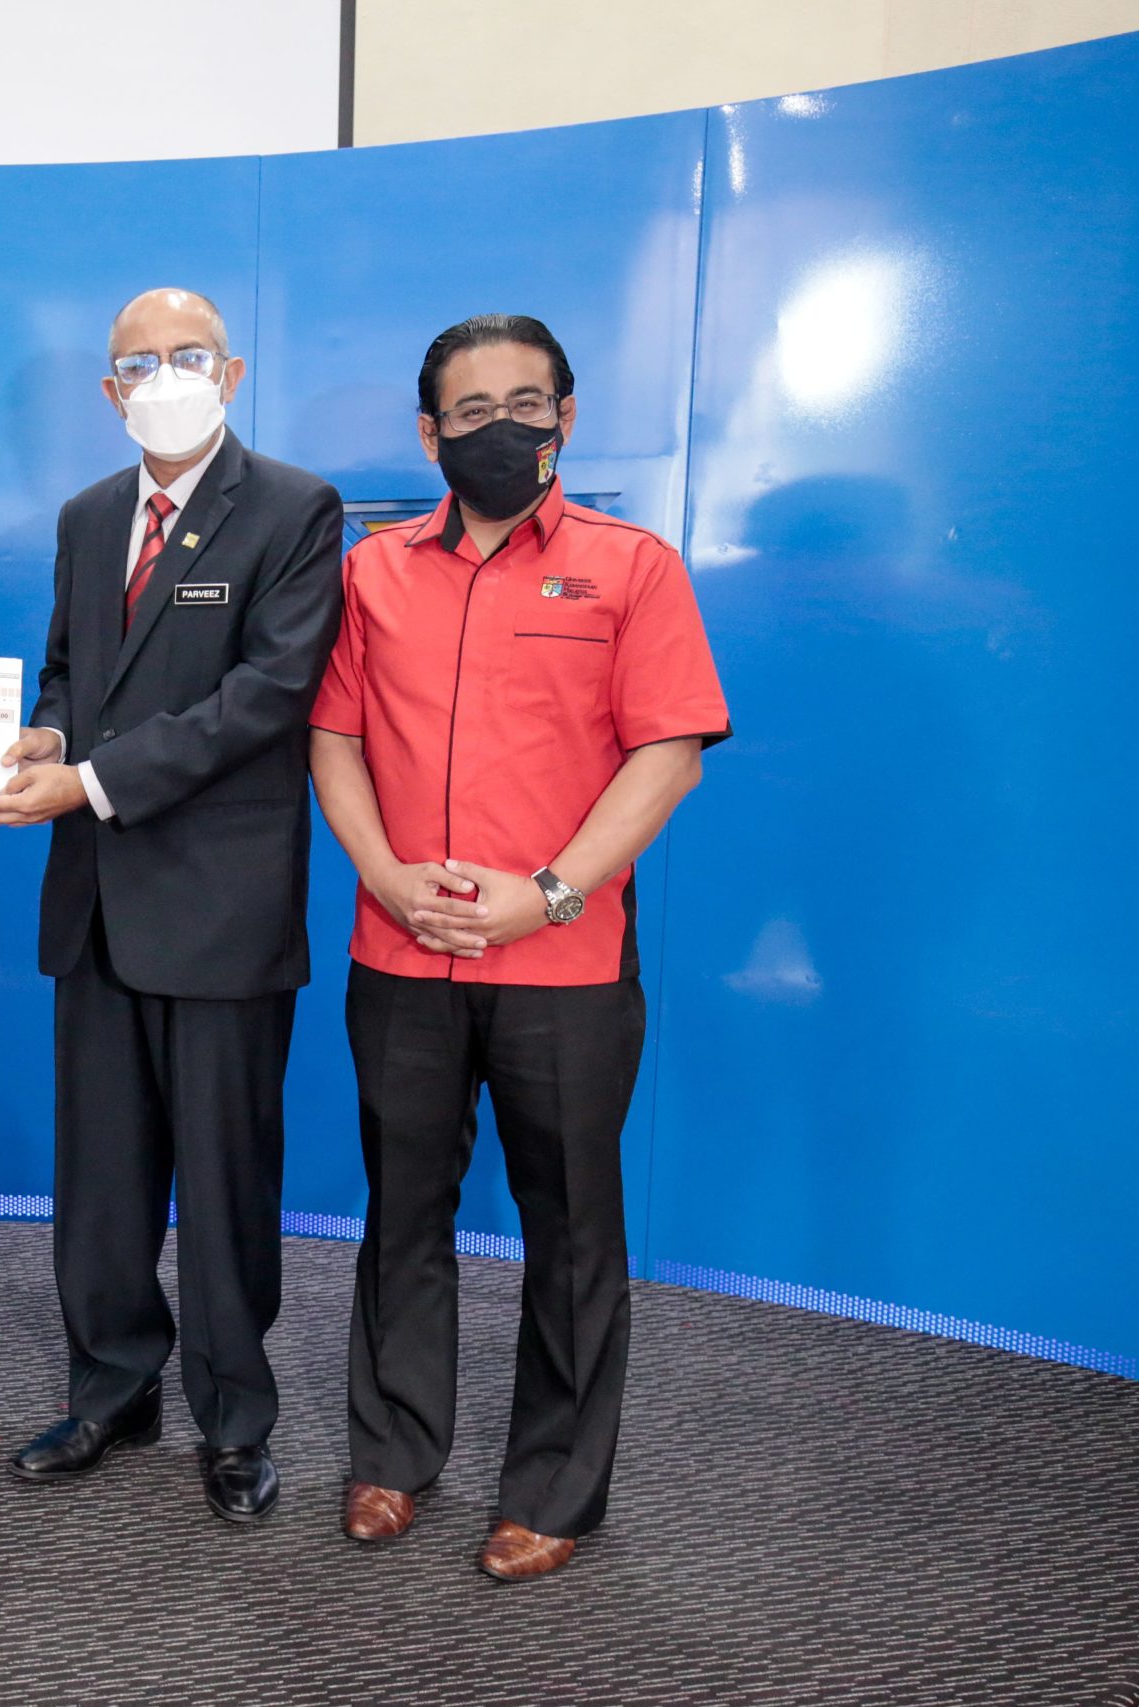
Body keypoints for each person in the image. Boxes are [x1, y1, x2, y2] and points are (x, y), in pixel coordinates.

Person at [310, 314, 729, 1579]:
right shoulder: (372, 572)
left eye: (526, 404)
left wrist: (544, 895)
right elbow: (333, 737)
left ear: (566, 417)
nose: (502, 428)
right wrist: (385, 877)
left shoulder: (631, 568)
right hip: (402, 956)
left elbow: (668, 754)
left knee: (573, 1229)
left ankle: (551, 1490)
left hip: (564, 965)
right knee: (402, 1213)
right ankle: (393, 1455)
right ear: (429, 433)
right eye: (472, 410)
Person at [0, 287, 343, 1525]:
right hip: (95, 903)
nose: (164, 376)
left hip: (221, 905)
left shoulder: (294, 508)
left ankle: (234, 1422)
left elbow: (268, 695)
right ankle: (111, 1390)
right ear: (109, 391)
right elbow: (72, 671)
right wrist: (47, 733)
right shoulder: (90, 518)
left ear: (230, 373)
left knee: (226, 1182)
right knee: (103, 1180)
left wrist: (86, 781)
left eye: (188, 355)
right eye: (138, 363)